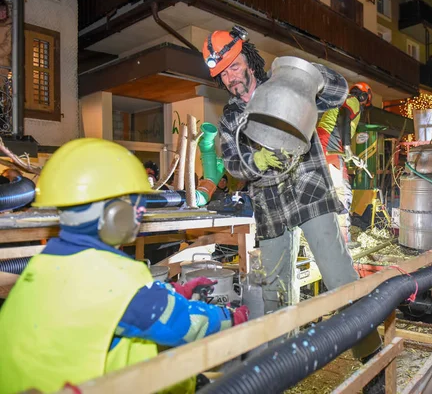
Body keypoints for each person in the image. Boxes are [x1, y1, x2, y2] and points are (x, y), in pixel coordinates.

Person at [202, 25, 383, 386]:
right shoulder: (230, 117)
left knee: (339, 278)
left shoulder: (285, 87)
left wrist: (307, 74)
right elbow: (233, 163)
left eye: (234, 67)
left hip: (309, 191)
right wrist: (257, 164)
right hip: (269, 206)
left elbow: (337, 92)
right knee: (275, 293)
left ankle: (373, 360)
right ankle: (279, 371)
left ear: (249, 59)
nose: (230, 79)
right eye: (222, 75)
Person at [0, 138, 248, 393]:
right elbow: (182, 323)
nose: (140, 216)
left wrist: (175, 293)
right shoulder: (109, 277)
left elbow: (105, 306)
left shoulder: (42, 266)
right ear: (115, 215)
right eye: (137, 206)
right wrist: (231, 318)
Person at [317, 82, 372, 242]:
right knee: (343, 193)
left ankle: (325, 238)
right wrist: (347, 148)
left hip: (325, 145)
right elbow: (344, 118)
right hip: (330, 147)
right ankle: (343, 242)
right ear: (364, 96)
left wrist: (349, 153)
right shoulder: (352, 101)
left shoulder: (340, 100)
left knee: (327, 195)